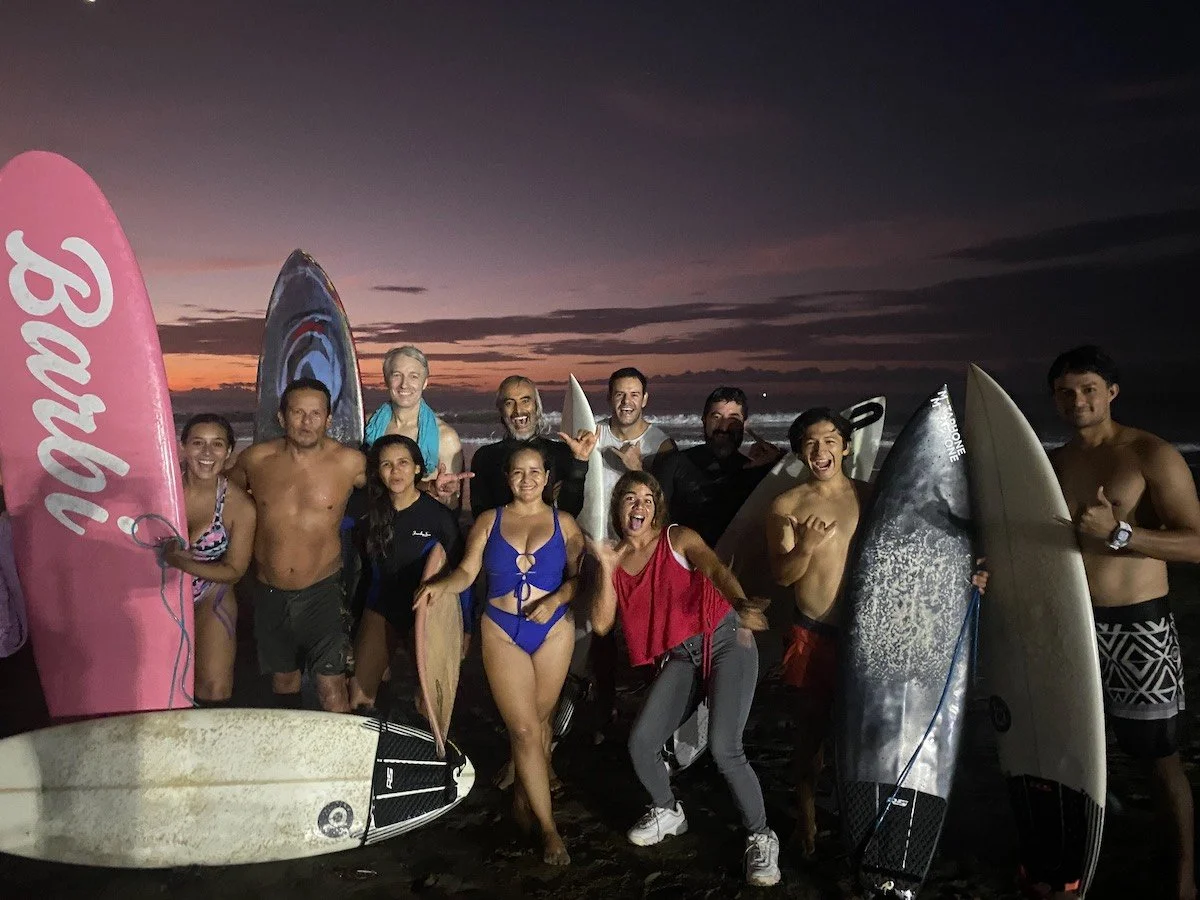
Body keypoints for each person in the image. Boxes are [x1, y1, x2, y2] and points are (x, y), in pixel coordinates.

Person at [1048, 345, 1200, 900]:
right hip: (1072, 625)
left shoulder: (1151, 455)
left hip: (1138, 625)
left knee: (1158, 756)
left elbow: (1198, 544)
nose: (1077, 399)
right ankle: (1076, 859)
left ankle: (1183, 877)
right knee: (1074, 750)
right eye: (1065, 391)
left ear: (1112, 391)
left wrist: (1125, 534)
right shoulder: (1056, 463)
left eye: (1088, 388)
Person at [590, 471, 781, 888]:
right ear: (617, 507)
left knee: (725, 747)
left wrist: (740, 603)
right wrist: (605, 568)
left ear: (657, 507)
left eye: (646, 499)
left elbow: (713, 566)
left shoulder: (677, 538)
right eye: (628, 498)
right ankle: (668, 810)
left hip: (727, 640)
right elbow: (602, 624)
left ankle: (761, 835)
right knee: (641, 742)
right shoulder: (615, 558)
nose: (638, 506)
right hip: (681, 657)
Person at [416, 443, 583, 866]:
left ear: (548, 478)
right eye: (517, 472)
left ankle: (524, 802)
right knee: (525, 731)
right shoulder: (490, 520)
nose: (526, 480)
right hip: (501, 629)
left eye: (535, 472)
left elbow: (580, 579)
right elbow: (468, 572)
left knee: (540, 724)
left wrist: (558, 598)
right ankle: (549, 829)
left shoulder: (565, 523)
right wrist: (440, 585)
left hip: (554, 631)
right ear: (507, 478)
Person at [764, 408, 868, 857]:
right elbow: (783, 576)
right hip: (811, 635)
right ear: (799, 450)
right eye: (809, 442)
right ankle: (806, 823)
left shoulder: (872, 496)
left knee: (862, 737)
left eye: (829, 440)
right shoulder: (786, 505)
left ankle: (858, 817)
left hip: (865, 636)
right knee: (809, 738)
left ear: (846, 446)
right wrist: (804, 547)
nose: (820, 450)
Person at [229, 378, 367, 712]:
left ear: (328, 419)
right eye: (297, 413)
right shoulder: (255, 460)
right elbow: (218, 497)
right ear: (282, 417)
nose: (306, 422)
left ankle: (343, 763)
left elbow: (394, 489)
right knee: (284, 682)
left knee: (331, 687)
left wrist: (433, 489)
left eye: (315, 413)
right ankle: (291, 757)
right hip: (268, 591)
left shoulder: (350, 463)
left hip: (324, 590)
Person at [347, 434, 462, 715]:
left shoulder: (438, 517)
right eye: (386, 464)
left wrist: (465, 630)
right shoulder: (365, 513)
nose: (395, 471)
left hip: (426, 612)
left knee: (429, 703)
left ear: (418, 469)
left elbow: (460, 575)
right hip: (381, 607)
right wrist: (354, 620)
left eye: (403, 463)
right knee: (359, 700)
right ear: (378, 471)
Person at [159, 414, 256, 706]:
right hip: (156, 593)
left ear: (228, 452)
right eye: (198, 443)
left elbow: (234, 570)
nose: (206, 453)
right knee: (161, 683)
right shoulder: (161, 490)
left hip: (210, 591)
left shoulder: (238, 505)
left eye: (217, 445)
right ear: (182, 447)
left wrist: (178, 561)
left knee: (214, 689)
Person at [656, 386, 784, 547]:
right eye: (716, 417)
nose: (724, 427)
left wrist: (779, 461)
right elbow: (655, 525)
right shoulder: (674, 464)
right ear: (704, 420)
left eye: (733, 419)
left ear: (745, 424)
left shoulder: (760, 472)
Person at [469, 375, 597, 520]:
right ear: (501, 410)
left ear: (537, 406)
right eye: (509, 403)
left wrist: (579, 461)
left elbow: (570, 511)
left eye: (525, 401)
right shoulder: (485, 457)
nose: (518, 410)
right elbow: (480, 515)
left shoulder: (560, 453)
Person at [363, 345, 471, 507]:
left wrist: (440, 492)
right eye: (397, 375)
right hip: (373, 520)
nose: (404, 385)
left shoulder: (445, 437)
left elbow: (451, 504)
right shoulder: (367, 425)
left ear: (425, 382)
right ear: (386, 380)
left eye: (414, 376)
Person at [596, 367, 676, 538]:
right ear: (609, 398)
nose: (626, 402)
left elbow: (666, 506)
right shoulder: (594, 435)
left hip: (639, 546)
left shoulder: (661, 445)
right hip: (597, 539)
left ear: (644, 399)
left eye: (634, 394)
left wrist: (638, 470)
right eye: (620, 394)